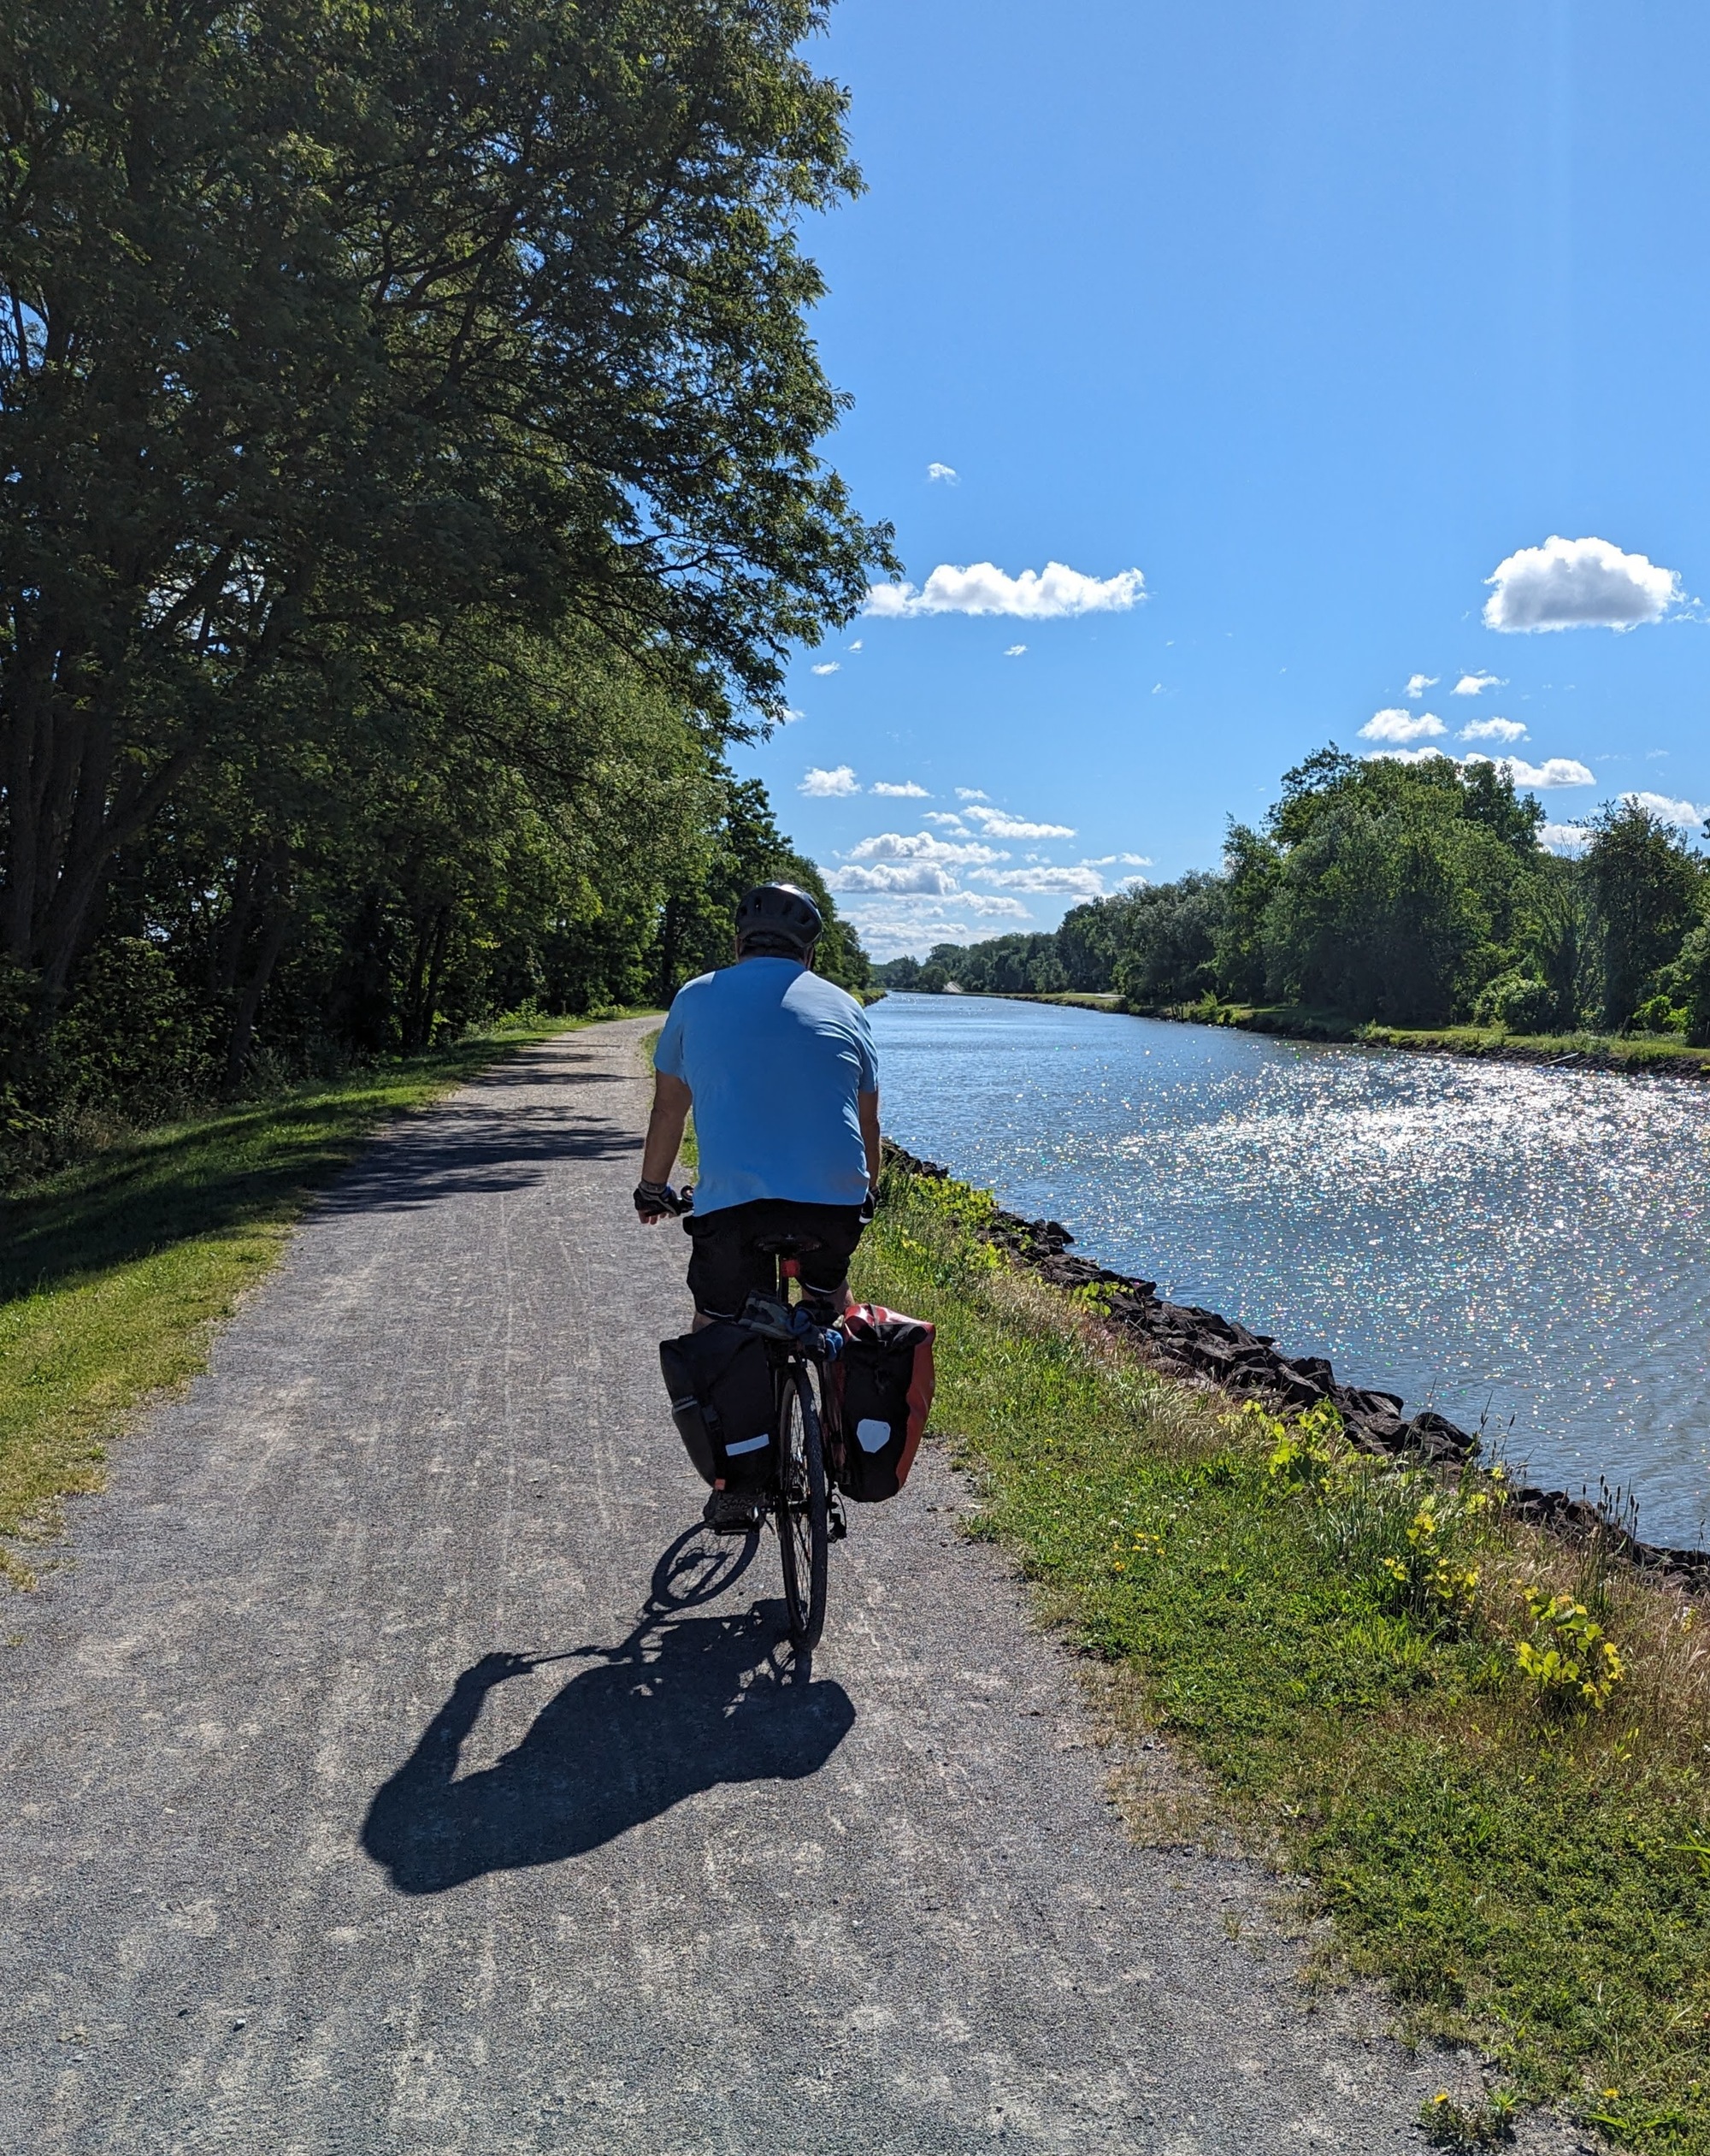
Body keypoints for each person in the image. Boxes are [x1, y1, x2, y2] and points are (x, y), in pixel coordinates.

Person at [635, 883, 881, 1530]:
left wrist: (651, 1187)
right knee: (829, 1303)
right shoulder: (847, 1006)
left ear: (739, 942)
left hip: (735, 1210)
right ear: (809, 951)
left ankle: (735, 1485)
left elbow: (669, 1107)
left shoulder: (696, 995)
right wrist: (867, 1193)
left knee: (717, 1323)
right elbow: (867, 1121)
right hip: (832, 1204)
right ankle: (839, 1447)